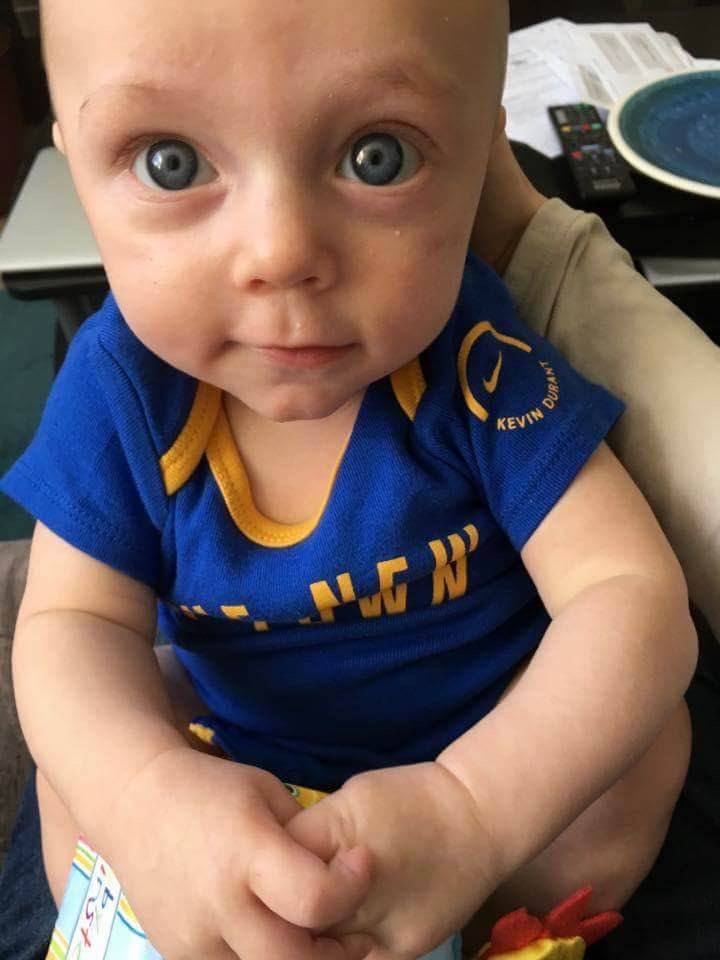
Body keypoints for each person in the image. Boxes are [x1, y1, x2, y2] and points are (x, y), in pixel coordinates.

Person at [1, 2, 699, 959]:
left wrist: (473, 810)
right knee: (75, 771)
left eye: (380, 157)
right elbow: (70, 626)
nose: (283, 252)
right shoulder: (124, 391)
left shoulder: (474, 364)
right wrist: (147, 798)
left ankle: (479, 927)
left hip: (489, 747)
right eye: (171, 161)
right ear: (75, 162)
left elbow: (629, 594)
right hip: (236, 758)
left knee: (646, 746)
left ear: (479, 146)